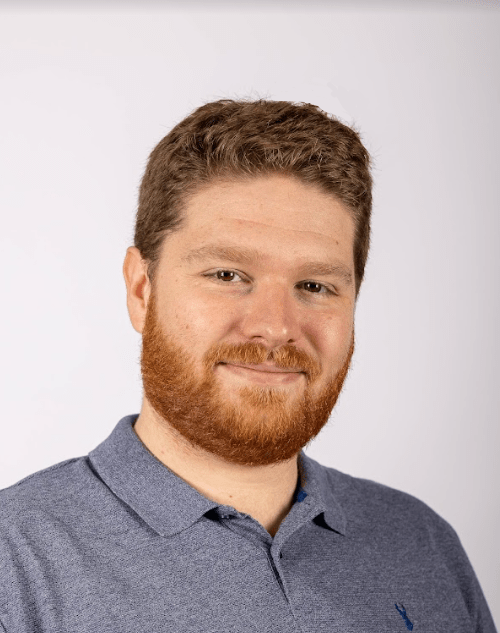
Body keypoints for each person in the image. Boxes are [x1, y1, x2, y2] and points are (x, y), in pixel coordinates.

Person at [0, 98, 496, 633]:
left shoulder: (423, 545)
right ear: (142, 290)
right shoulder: (15, 564)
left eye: (315, 285)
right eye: (228, 275)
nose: (276, 327)